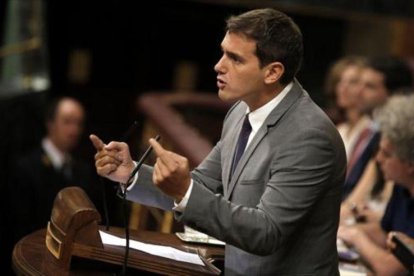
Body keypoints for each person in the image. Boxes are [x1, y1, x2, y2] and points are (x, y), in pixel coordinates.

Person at [91, 8, 346, 275]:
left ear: (272, 72)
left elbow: (267, 232)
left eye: (235, 59)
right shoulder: (239, 112)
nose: (218, 65)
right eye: (223, 52)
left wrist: (184, 191)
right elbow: (201, 184)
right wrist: (130, 173)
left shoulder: (310, 136)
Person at [338, 94, 414, 275]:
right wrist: (341, 230)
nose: (378, 159)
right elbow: (384, 234)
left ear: (410, 164)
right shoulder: (401, 185)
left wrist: (355, 236)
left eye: (387, 154)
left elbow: (390, 268)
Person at [9, 96, 95, 241]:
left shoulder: (82, 169)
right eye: (67, 122)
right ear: (50, 123)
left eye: (79, 124)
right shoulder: (26, 167)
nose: (74, 130)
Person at [340, 57, 413, 222]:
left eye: (369, 87)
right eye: (359, 84)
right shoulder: (377, 134)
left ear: (395, 95)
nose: (357, 92)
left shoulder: (398, 141)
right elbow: (354, 198)